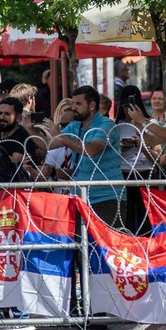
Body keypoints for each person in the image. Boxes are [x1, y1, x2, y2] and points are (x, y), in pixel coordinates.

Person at [42, 85, 124, 228]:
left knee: (106, 247)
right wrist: (29, 128)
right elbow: (47, 145)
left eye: (78, 104)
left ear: (92, 105)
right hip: (82, 197)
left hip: (107, 197)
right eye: (73, 103)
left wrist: (60, 137)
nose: (74, 107)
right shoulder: (75, 125)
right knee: (82, 247)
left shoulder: (106, 125)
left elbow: (92, 150)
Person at [117, 85, 157, 235]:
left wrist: (141, 144)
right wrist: (120, 147)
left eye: (132, 106)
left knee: (146, 219)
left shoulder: (150, 124)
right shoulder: (116, 127)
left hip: (145, 173)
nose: (129, 110)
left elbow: (158, 158)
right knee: (126, 219)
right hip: (124, 174)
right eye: (126, 106)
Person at [0, 97, 43, 180]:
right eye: (0, 113)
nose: (2, 117)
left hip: (17, 185)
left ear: (18, 118)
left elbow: (15, 160)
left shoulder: (24, 137)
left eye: (7, 114)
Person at [41, 98, 76, 193]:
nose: (68, 128)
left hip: (81, 194)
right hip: (60, 196)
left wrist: (54, 173)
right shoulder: (54, 146)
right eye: (62, 112)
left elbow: (77, 173)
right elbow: (46, 174)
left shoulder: (83, 142)